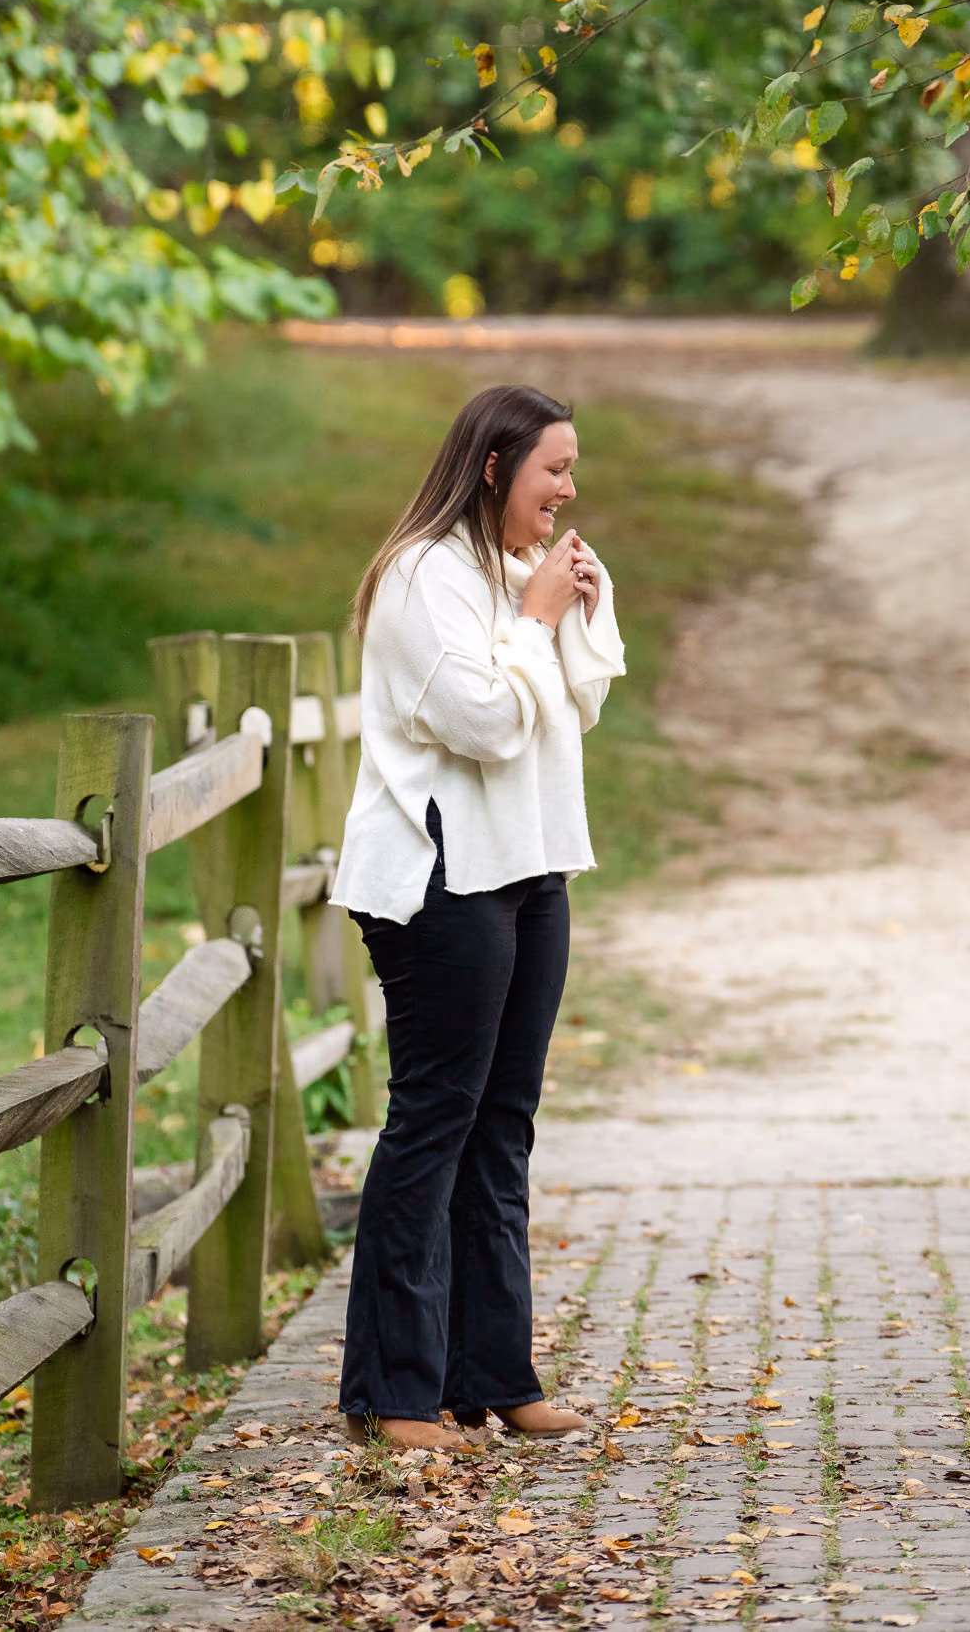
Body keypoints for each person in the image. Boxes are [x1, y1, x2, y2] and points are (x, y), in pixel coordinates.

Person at [330, 384, 623, 1452]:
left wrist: (568, 608)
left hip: (531, 865)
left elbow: (580, 697)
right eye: (554, 468)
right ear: (495, 467)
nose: (569, 490)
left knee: (504, 1126)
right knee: (435, 1122)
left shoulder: (509, 576)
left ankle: (495, 1375)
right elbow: (488, 723)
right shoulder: (421, 580)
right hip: (442, 874)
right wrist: (538, 618)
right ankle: (396, 1396)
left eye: (573, 468)